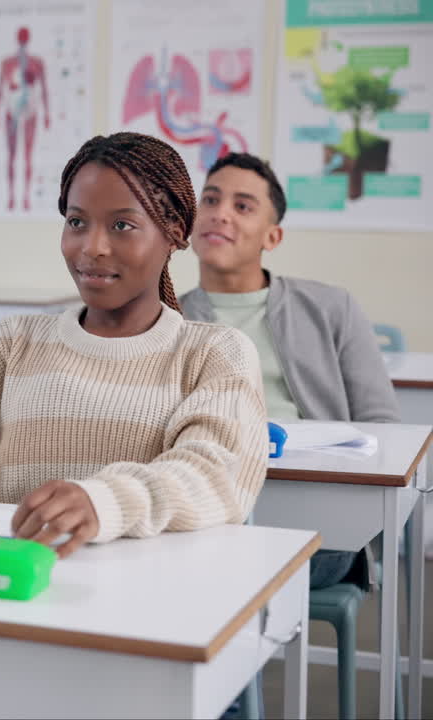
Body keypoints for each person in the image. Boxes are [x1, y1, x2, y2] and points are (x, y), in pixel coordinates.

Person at [0, 132, 266, 564]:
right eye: (77, 222)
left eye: (122, 225)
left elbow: (211, 475)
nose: (92, 247)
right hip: (8, 587)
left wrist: (100, 503)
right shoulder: (13, 340)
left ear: (174, 233)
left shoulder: (215, 353)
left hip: (144, 602)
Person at [180, 151, 400, 590]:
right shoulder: (168, 318)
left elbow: (385, 429)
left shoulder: (331, 306)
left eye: (242, 206)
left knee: (210, 575)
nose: (220, 214)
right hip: (207, 512)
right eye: (210, 200)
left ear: (273, 236)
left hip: (319, 523)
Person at [0, 26, 50, 211]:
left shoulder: (37, 63)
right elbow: (0, 89)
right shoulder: (7, 63)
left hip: (30, 109)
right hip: (12, 108)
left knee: (27, 155)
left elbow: (44, 89)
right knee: (11, 155)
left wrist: (47, 113)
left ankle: (25, 197)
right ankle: (11, 196)